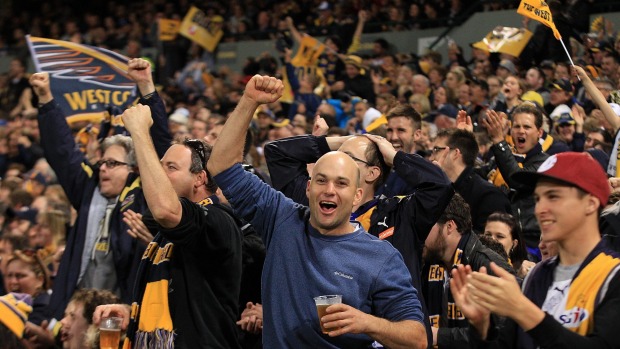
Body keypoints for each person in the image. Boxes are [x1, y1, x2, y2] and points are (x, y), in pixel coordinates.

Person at [208, 75, 428, 348]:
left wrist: (367, 322)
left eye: (342, 183)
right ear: (309, 188)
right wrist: (249, 101)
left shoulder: (381, 257)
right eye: (322, 180)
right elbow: (221, 166)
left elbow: (417, 338)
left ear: (358, 194)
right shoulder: (280, 217)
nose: (330, 190)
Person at [29, 58, 171, 321]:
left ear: (133, 168)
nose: (103, 169)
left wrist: (146, 87)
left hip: (124, 312)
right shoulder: (87, 189)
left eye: (112, 163)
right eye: (102, 162)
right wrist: (46, 99)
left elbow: (162, 148)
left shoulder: (143, 195)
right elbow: (62, 152)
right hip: (77, 312)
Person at [94, 110, 243, 348]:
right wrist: (131, 314)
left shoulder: (217, 220)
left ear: (199, 178)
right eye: (159, 166)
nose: (160, 175)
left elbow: (165, 210)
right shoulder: (166, 234)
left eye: (170, 168)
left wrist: (140, 131)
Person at [451, 152, 620, 348]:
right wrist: (482, 329)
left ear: (590, 203)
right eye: (538, 198)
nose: (540, 209)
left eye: (553, 196)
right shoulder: (537, 276)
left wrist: (523, 310)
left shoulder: (613, 275)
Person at [422, 194, 513, 348]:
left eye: (427, 225)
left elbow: (507, 332)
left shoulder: (487, 264)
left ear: (449, 226)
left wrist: (440, 336)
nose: (420, 232)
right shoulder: (429, 263)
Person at [482, 104, 549, 256]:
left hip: (532, 245)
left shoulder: (545, 163)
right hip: (503, 239)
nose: (521, 131)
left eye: (527, 126)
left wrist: (499, 141)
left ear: (539, 132)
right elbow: (478, 177)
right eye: (516, 126)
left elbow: (516, 179)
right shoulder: (502, 158)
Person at [430, 127, 511, 233]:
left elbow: (491, 245)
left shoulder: (489, 196)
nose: (431, 158)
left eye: (436, 150)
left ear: (455, 153)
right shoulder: (438, 189)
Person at [4, 250, 50, 325]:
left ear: (40, 280)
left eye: (20, 276)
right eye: (9, 275)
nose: (13, 281)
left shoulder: (44, 308)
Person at [482, 213, 534, 278]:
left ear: (514, 244)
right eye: (488, 235)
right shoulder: (470, 262)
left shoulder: (523, 272)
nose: (492, 239)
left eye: (500, 236)